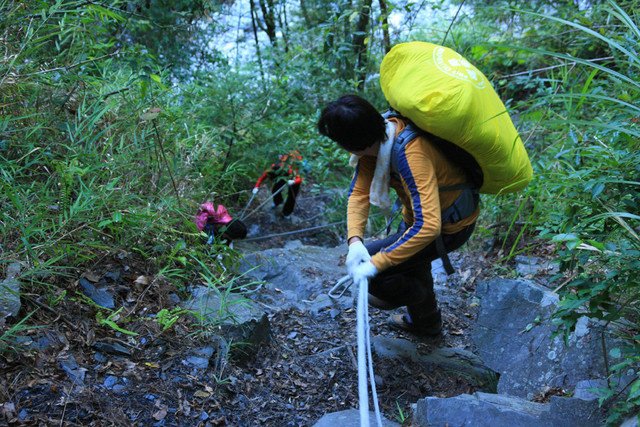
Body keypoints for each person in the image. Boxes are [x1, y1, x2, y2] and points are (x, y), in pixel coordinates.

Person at [317, 94, 479, 336]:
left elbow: (429, 227)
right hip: (417, 217)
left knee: (379, 272)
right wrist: (354, 241)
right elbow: (359, 194)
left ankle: (418, 297)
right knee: (408, 259)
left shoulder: (412, 154)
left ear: (351, 143)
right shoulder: (379, 138)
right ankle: (427, 323)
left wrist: (376, 264)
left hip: (451, 227)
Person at [253, 151, 304, 217]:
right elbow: (263, 176)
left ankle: (286, 212)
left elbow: (300, 178)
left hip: (294, 178)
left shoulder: (293, 164)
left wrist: (294, 181)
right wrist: (256, 187)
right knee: (275, 189)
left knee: (291, 196)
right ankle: (278, 202)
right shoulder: (274, 166)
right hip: (283, 177)